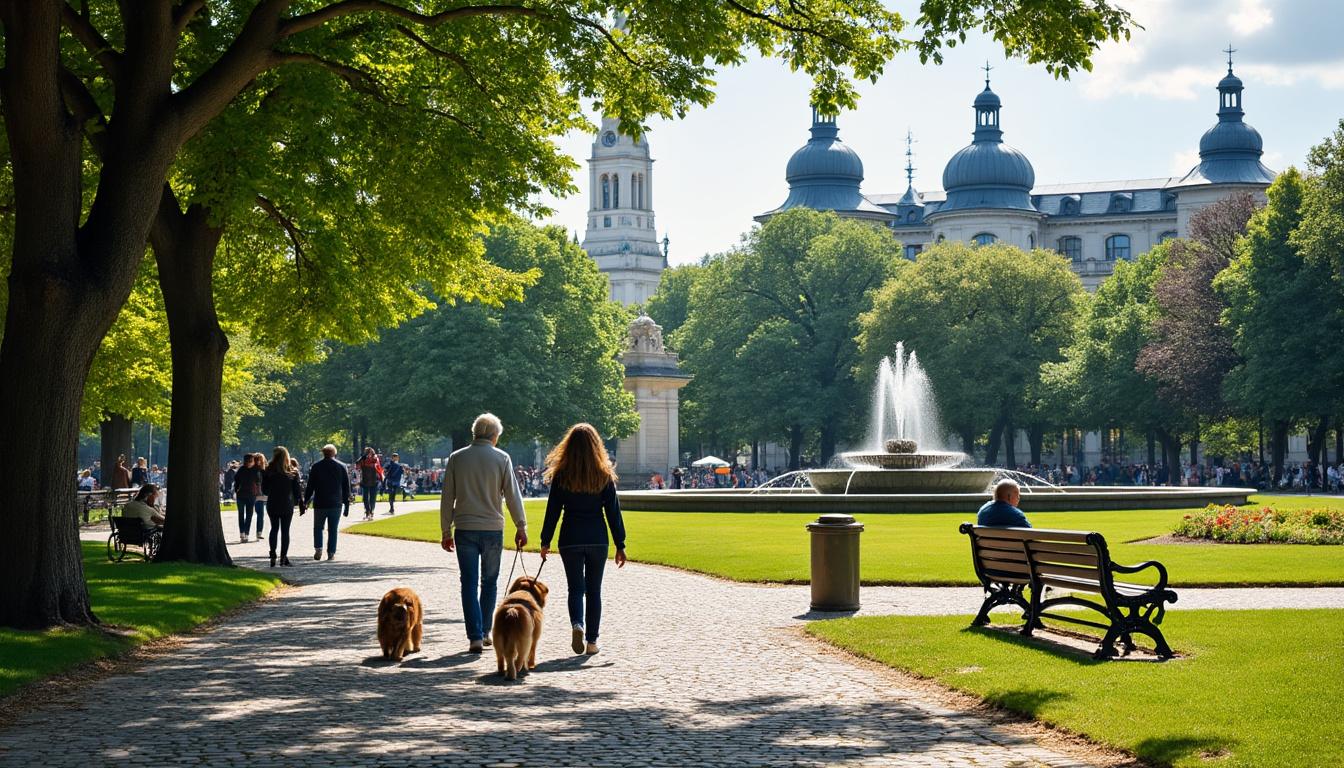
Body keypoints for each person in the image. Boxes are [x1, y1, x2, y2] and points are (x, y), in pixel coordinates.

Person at [440, 413, 527, 653]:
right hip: (491, 528)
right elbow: (512, 495)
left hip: (465, 527)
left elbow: (447, 497)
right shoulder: (502, 458)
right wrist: (521, 525)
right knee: (489, 582)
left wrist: (446, 529)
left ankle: (475, 635)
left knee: (468, 583)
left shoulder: (457, 458)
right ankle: (486, 629)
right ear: (494, 435)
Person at [539, 423, 626, 656]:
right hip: (597, 537)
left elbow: (553, 511)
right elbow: (613, 513)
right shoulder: (603, 475)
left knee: (575, 589)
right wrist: (620, 544)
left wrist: (545, 540)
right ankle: (592, 642)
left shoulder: (562, 475)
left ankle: (577, 623)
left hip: (571, 537)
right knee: (594, 591)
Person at [304, 444, 351, 561]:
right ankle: (331, 552)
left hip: (320, 502)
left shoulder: (316, 466)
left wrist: (306, 500)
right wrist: (347, 505)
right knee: (333, 529)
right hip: (336, 503)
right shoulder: (342, 466)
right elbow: (346, 487)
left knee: (318, 527)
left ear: (323, 453)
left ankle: (318, 548)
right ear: (334, 453)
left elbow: (310, 486)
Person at [263, 446, 304, 568]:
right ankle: (283, 557)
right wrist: (300, 502)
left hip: (273, 503)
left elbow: (265, 491)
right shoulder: (292, 471)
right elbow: (297, 491)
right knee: (285, 531)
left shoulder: (268, 470)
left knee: (274, 528)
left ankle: (273, 554)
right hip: (287, 503)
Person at [232, 454, 263, 543]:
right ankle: (242, 532)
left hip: (251, 495)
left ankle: (246, 533)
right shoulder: (241, 469)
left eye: (251, 461)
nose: (249, 464)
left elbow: (258, 480)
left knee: (249, 515)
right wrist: (236, 490)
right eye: (248, 462)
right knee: (241, 515)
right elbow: (236, 480)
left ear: (253, 461)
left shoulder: (256, 469)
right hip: (241, 495)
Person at [356, 447, 383, 520]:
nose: (368, 453)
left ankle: (371, 512)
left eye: (369, 452)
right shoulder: (363, 459)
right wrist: (363, 457)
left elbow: (378, 468)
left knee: (372, 498)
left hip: (374, 481)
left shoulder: (375, 459)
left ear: (372, 452)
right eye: (367, 452)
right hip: (365, 481)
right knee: (365, 498)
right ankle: (367, 511)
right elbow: (357, 465)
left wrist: (381, 478)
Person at [251, 452, 268, 541]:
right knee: (259, 513)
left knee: (261, 514)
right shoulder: (253, 470)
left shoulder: (265, 470)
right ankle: (248, 532)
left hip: (262, 494)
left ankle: (259, 532)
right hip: (255, 494)